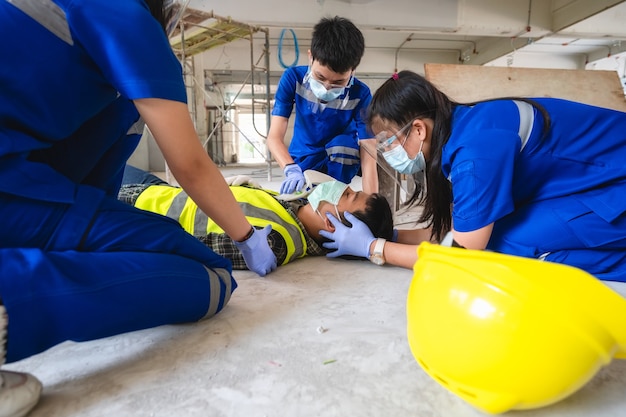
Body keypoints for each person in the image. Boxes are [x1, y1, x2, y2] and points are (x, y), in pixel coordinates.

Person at [0, 1, 276, 415]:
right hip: (18, 182)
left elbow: (100, 180)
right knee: (214, 276)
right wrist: (248, 236)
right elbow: (192, 166)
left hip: (28, 177)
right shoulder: (125, 16)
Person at [320, 70, 626, 282]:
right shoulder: (464, 129)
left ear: (417, 129)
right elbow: (458, 228)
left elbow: (462, 253)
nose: (386, 151)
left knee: (508, 246)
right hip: (598, 177)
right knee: (497, 231)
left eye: (388, 141)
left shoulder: (474, 156)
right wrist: (394, 236)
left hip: (615, 182)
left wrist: (375, 249)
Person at [119, 166, 394, 269]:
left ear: (333, 227)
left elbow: (209, 246)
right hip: (162, 190)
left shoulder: (277, 242)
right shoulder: (295, 206)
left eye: (347, 196)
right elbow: (313, 176)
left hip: (141, 208)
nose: (339, 187)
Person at [266, 16, 379, 196]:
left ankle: (335, 195)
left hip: (341, 158)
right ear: (311, 57)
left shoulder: (360, 93)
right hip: (303, 157)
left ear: (353, 70)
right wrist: (290, 168)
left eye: (338, 82)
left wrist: (372, 201)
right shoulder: (292, 79)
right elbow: (273, 137)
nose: (327, 87)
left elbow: (368, 149)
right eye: (320, 77)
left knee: (344, 145)